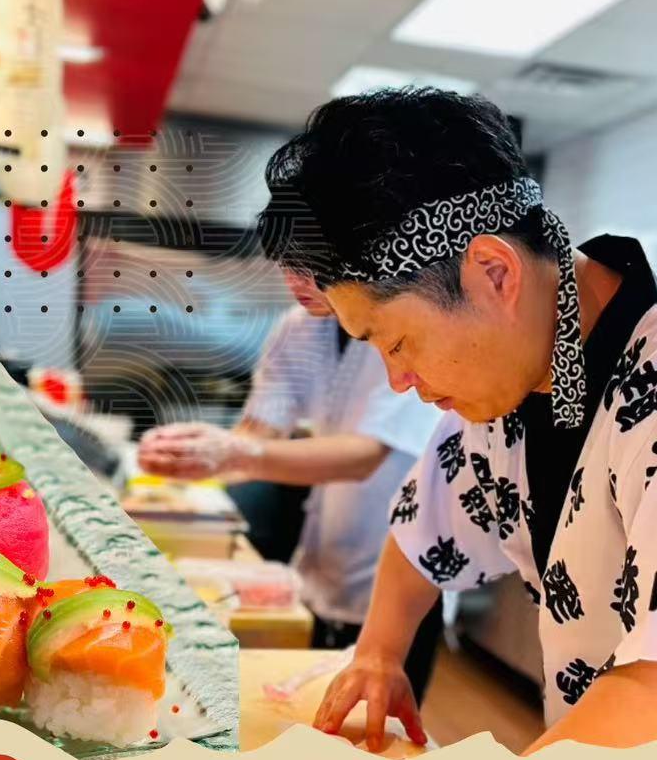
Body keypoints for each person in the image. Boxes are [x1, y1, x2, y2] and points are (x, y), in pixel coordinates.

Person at [255, 87, 657, 755]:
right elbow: (421, 531)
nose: (397, 380)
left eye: (396, 341)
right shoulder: (522, 371)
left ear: (493, 272)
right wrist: (379, 651)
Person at [138, 266, 442, 703]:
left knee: (377, 733)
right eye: (286, 269)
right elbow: (258, 432)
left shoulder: (400, 325)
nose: (295, 284)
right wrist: (195, 450)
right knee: (310, 712)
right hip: (319, 563)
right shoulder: (298, 330)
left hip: (403, 570)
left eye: (308, 269)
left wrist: (235, 454)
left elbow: (364, 456)